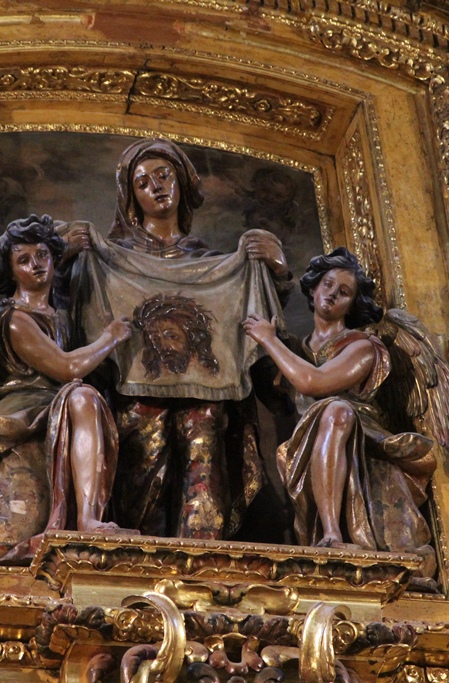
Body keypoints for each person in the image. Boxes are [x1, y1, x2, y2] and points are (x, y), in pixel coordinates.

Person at [95, 137, 293, 540]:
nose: (156, 187)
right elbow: (76, 306)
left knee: (204, 444)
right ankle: (145, 552)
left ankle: (203, 553)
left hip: (207, 388)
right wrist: (67, 255)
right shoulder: (111, 260)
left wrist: (277, 271)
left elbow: (250, 313)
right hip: (138, 389)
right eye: (143, 182)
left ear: (182, 181)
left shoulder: (211, 264)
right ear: (132, 198)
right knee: (146, 453)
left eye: (164, 175)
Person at [243, 248, 440, 585]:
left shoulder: (362, 346)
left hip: (360, 442)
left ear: (353, 304)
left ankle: (334, 534)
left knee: (336, 409)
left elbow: (313, 382)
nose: (332, 294)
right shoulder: (299, 349)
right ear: (313, 288)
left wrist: (269, 341)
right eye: (327, 284)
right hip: (311, 451)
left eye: (344, 291)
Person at [0, 214, 135, 562]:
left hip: (52, 407)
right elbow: (69, 368)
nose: (35, 266)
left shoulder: (60, 314)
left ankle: (90, 514)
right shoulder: (15, 320)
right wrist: (111, 337)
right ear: (11, 270)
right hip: (25, 411)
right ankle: (88, 520)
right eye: (23, 260)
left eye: (42, 255)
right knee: (83, 396)